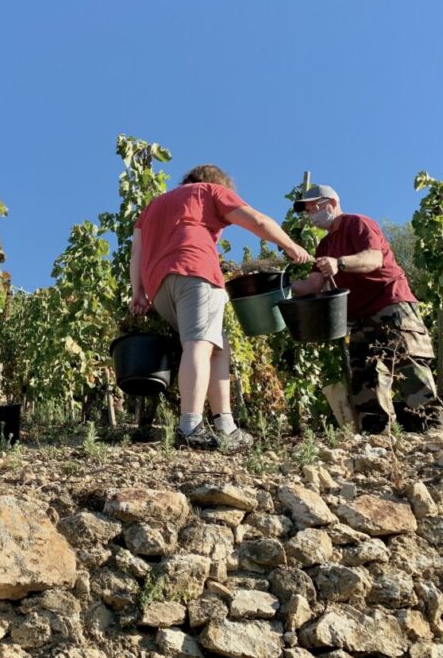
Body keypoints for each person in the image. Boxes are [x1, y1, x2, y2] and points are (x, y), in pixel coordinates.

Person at [130, 165, 311, 450]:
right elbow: (258, 221)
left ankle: (225, 424)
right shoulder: (209, 192)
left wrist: (138, 292)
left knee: (218, 344)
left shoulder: (152, 207)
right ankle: (189, 426)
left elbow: (136, 252)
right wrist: (291, 246)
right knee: (200, 345)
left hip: (159, 285)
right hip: (195, 270)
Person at [290, 184, 443, 432]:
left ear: (331, 203)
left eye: (313, 207)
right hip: (360, 315)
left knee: (409, 366)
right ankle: (377, 437)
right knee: (365, 377)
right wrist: (282, 285)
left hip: (391, 304)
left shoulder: (358, 223)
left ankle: (434, 433)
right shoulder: (324, 246)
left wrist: (339, 263)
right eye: (306, 211)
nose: (310, 214)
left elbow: (374, 259)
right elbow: (313, 284)